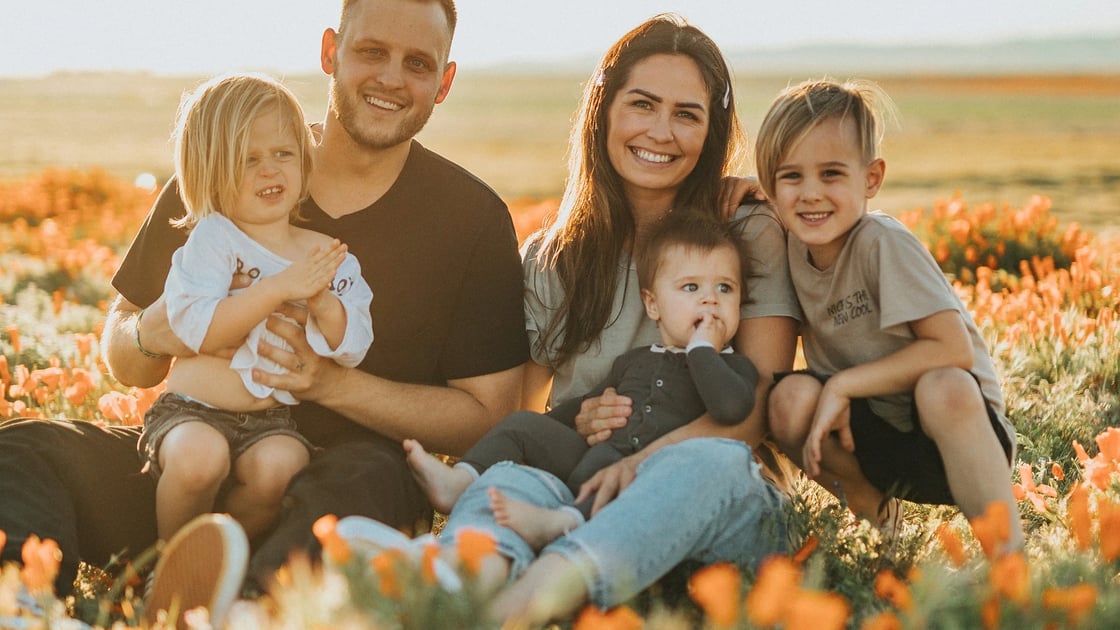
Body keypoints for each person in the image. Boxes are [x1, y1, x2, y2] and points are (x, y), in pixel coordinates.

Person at [0, 0, 528, 624]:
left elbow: (486, 418)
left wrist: (329, 383)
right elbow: (124, 358)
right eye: (371, 52)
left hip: (329, 489)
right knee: (25, 450)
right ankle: (23, 608)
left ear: (443, 83)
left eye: (417, 63)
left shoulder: (471, 220)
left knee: (372, 477)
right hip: (188, 463)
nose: (391, 77)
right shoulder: (228, 164)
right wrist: (154, 330)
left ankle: (235, 607)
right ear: (331, 51)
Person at [389, 14, 800, 626]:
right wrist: (575, 418)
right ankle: (454, 590)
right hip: (582, 487)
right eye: (642, 105)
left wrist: (640, 463)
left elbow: (753, 416)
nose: (661, 132)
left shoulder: (744, 233)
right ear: (604, 110)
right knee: (510, 475)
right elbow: (519, 413)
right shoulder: (554, 257)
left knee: (705, 463)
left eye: (687, 114)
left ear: (710, 132)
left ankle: (516, 609)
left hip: (714, 501)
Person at [753, 78, 1023, 552]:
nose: (811, 193)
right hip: (871, 440)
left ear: (871, 179)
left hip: (955, 436)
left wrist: (842, 384)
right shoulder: (789, 244)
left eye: (832, 174)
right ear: (771, 185)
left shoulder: (882, 243)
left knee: (944, 386)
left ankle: (1008, 560)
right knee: (788, 399)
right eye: (791, 177)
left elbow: (952, 349)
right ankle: (882, 528)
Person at [404, 211, 758, 548]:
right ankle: (460, 480)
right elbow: (583, 406)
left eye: (725, 289)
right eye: (691, 287)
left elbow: (730, 407)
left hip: (649, 480)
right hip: (591, 458)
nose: (710, 299)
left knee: (616, 479)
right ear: (653, 305)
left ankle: (562, 522)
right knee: (523, 425)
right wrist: (557, 425)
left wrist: (702, 350)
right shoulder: (635, 360)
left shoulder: (735, 369)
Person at [140, 72, 374, 543]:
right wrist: (276, 288)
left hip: (270, 420)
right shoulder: (212, 239)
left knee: (283, 467)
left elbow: (353, 345)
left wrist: (321, 302)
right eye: (248, 160)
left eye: (283, 154)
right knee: (199, 460)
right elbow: (198, 330)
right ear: (210, 172)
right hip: (191, 410)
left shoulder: (325, 252)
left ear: (304, 163)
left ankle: (222, 558)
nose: (270, 171)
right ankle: (168, 563)